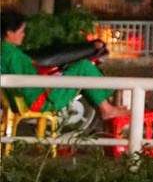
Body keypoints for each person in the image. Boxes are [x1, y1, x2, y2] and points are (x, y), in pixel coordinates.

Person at [1, 8, 129, 122]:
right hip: (41, 100)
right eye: (21, 31)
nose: (23, 35)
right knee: (83, 67)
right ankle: (107, 108)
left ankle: (106, 105)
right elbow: (26, 83)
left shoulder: (6, 51)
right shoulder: (13, 55)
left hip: (30, 98)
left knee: (80, 69)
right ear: (9, 33)